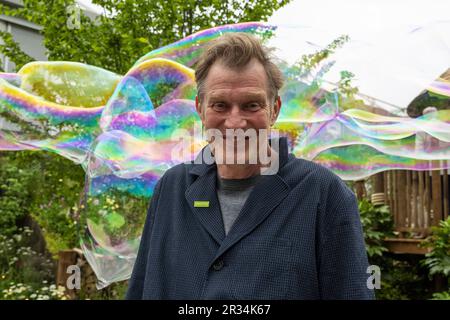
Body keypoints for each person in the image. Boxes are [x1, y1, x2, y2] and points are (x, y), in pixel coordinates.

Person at [126, 33, 374, 300]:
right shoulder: (172, 188)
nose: (235, 122)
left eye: (251, 105)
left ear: (274, 109)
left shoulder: (324, 194)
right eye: (220, 105)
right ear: (200, 108)